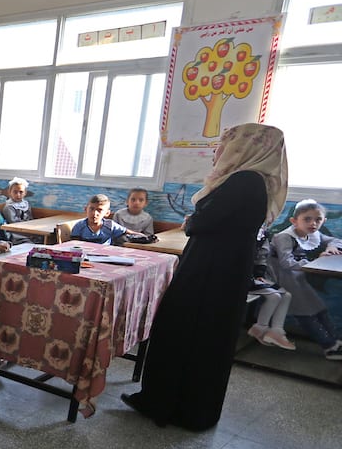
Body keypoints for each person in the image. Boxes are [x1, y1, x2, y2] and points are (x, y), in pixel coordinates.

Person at [124, 123, 289, 430]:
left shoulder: (243, 181)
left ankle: (162, 403)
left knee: (180, 332)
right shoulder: (259, 182)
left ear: (245, 148)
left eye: (226, 144)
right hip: (224, 273)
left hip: (207, 273)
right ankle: (191, 409)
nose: (219, 151)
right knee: (206, 341)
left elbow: (200, 224)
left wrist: (193, 220)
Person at [271, 199, 342, 359]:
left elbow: (334, 241)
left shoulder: (314, 234)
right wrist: (315, 261)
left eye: (318, 219)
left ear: (324, 220)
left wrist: (332, 247)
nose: (313, 223)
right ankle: (329, 346)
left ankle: (335, 341)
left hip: (298, 275)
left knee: (320, 308)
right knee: (305, 312)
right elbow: (286, 262)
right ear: (294, 221)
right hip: (281, 276)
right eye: (307, 219)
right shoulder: (285, 237)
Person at [247, 227, 295, 350]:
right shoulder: (242, 231)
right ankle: (260, 328)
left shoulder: (262, 234)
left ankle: (276, 331)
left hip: (253, 276)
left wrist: (259, 274)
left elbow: (262, 257)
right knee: (274, 296)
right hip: (239, 277)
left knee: (286, 295)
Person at [70, 195, 143, 245]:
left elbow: (128, 232)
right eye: (91, 209)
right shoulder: (79, 226)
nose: (94, 213)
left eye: (99, 210)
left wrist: (145, 237)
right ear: (86, 209)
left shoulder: (110, 225)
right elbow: (74, 244)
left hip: (106, 256)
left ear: (107, 213)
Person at [0, 178, 34, 244]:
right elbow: (14, 222)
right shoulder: (9, 207)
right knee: (29, 243)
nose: (18, 195)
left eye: (21, 192)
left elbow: (30, 217)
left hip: (28, 230)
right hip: (16, 233)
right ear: (10, 192)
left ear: (25, 193)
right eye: (15, 192)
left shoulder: (26, 204)